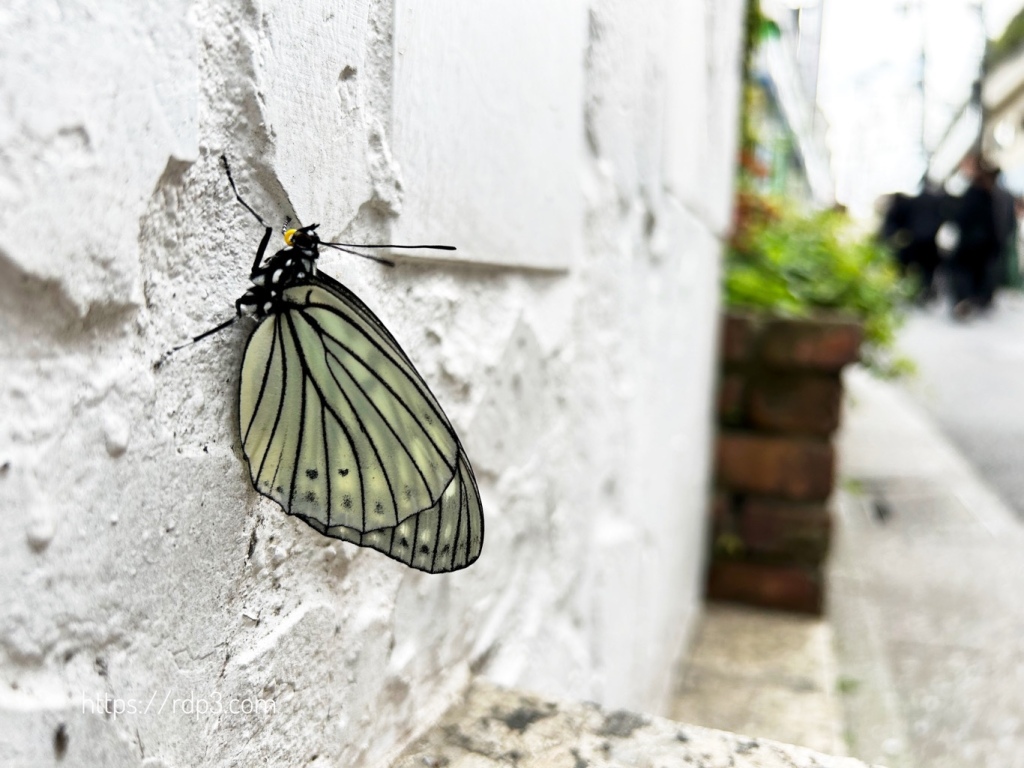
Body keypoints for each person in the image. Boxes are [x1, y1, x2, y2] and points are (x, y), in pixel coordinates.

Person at [949, 155, 1001, 318]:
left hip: (968, 242)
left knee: (962, 271)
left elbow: (960, 217)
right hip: (983, 243)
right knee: (976, 271)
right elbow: (992, 222)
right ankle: (972, 299)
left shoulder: (970, 194)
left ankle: (964, 299)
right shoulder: (988, 195)